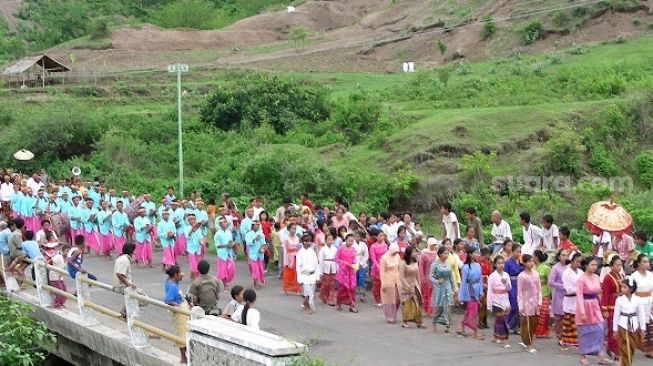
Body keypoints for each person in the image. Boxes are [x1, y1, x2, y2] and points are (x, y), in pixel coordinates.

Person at [576, 256, 612, 365]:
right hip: (585, 305)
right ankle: (582, 355)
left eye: (596, 265)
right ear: (586, 266)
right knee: (585, 331)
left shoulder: (596, 277)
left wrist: (603, 306)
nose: (594, 267)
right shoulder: (581, 279)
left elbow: (599, 292)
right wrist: (582, 312)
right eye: (592, 265)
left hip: (595, 305)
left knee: (600, 330)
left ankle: (601, 356)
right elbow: (579, 296)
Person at [613, 276, 647, 366]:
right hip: (623, 325)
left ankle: (627, 363)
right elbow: (616, 315)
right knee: (624, 347)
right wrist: (615, 329)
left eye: (625, 287)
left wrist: (643, 328)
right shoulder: (619, 300)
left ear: (631, 288)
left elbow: (641, 314)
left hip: (634, 325)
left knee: (631, 347)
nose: (622, 288)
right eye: (622, 286)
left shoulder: (638, 300)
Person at [163, 265, 188, 364]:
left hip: (180, 308)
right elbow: (167, 299)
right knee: (182, 333)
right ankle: (183, 357)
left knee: (183, 333)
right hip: (179, 312)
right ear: (175, 275)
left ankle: (184, 356)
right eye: (179, 274)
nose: (181, 275)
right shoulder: (173, 286)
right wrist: (176, 305)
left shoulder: (170, 281)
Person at [601, 253, 624, 359]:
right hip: (611, 305)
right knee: (612, 328)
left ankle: (611, 347)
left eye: (620, 265)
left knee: (620, 328)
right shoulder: (608, 278)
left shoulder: (622, 276)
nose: (619, 267)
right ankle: (615, 351)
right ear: (611, 266)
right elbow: (605, 294)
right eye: (617, 265)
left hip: (621, 305)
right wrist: (604, 309)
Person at [517, 254, 541, 354]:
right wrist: (521, 305)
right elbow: (520, 292)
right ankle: (529, 344)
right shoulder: (521, 276)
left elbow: (539, 289)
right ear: (524, 263)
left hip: (535, 301)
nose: (531, 263)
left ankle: (527, 339)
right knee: (526, 323)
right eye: (529, 261)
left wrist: (540, 301)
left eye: (532, 261)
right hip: (526, 301)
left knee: (534, 323)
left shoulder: (536, 274)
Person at [458, 246, 484, 340]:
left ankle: (462, 325)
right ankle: (475, 331)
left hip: (476, 289)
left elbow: (480, 279)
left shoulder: (478, 265)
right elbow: (463, 282)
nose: (477, 254)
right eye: (475, 253)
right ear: (470, 254)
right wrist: (462, 296)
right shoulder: (466, 267)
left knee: (470, 310)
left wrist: (481, 291)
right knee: (473, 311)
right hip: (469, 291)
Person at [630, 253, 653, 357]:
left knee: (650, 326)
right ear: (638, 263)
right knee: (637, 325)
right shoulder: (634, 276)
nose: (646, 264)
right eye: (644, 262)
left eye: (648, 262)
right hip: (638, 302)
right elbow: (631, 291)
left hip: (649, 301)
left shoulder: (651, 274)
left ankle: (650, 350)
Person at [430, 245, 457, 333]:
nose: (447, 255)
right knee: (439, 307)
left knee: (448, 305)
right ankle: (434, 323)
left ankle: (447, 325)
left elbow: (451, 276)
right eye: (445, 253)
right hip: (439, 288)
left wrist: (454, 288)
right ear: (440, 254)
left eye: (448, 253)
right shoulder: (435, 264)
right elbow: (430, 276)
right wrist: (437, 281)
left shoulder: (448, 263)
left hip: (447, 286)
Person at [487, 256, 511, 347]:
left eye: (502, 263)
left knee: (501, 319)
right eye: (499, 263)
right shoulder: (492, 276)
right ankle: (504, 339)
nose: (501, 265)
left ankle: (496, 335)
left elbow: (509, 288)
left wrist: (506, 283)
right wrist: (489, 305)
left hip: (505, 298)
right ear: (495, 264)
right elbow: (490, 290)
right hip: (496, 299)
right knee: (501, 320)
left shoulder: (506, 275)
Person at [561, 252, 583, 350]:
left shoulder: (581, 272)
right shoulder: (566, 273)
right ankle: (565, 341)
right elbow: (568, 289)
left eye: (580, 262)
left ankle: (576, 341)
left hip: (578, 299)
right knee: (568, 322)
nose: (579, 264)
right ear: (572, 261)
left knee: (577, 322)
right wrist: (579, 288)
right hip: (570, 300)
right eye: (577, 262)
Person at [549, 249, 570, 343]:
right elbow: (551, 282)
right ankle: (560, 337)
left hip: (569, 295)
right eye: (563, 255)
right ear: (559, 257)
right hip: (558, 295)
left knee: (567, 317)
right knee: (559, 318)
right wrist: (562, 286)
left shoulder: (570, 267)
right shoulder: (555, 268)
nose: (565, 257)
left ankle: (566, 336)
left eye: (567, 255)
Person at [400, 245, 423, 328]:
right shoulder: (403, 263)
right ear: (409, 253)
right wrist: (407, 286)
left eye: (416, 252)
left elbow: (417, 275)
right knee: (407, 303)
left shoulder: (416, 261)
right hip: (406, 285)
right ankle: (405, 321)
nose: (416, 253)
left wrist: (419, 285)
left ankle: (419, 321)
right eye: (413, 252)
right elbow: (401, 277)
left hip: (415, 284)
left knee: (418, 303)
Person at [335, 234, 358, 313]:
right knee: (342, 288)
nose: (351, 243)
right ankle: (339, 302)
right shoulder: (341, 248)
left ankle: (352, 305)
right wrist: (344, 263)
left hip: (351, 271)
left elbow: (354, 259)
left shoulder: (353, 249)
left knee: (352, 289)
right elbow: (336, 259)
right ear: (346, 240)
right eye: (350, 241)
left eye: (352, 241)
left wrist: (355, 266)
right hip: (343, 272)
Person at [297, 234, 319, 315]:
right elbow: (298, 267)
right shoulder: (300, 253)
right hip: (305, 275)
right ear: (303, 242)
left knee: (310, 292)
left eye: (310, 241)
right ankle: (312, 307)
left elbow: (316, 263)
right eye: (307, 241)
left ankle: (305, 303)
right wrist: (299, 279)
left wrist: (317, 275)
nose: (309, 243)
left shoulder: (312, 251)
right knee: (310, 293)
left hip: (313, 274)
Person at [115, 242, 137, 317]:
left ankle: (126, 309)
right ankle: (125, 309)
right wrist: (129, 284)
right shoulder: (125, 260)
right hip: (121, 285)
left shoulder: (121, 258)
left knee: (135, 295)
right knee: (141, 297)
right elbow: (119, 274)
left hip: (122, 284)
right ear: (131, 251)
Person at [505, 245, 523, 334]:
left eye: (520, 251)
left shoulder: (521, 262)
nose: (518, 253)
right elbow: (505, 274)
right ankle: (508, 324)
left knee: (519, 306)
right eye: (517, 251)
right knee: (513, 306)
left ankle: (515, 327)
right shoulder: (508, 263)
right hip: (512, 285)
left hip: (520, 285)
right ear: (512, 252)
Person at [214, 217, 236, 290]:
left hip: (229, 253)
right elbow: (218, 245)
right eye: (222, 222)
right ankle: (225, 284)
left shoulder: (229, 232)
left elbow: (230, 242)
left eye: (225, 222)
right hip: (222, 254)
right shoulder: (217, 234)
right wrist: (226, 245)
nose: (224, 223)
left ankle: (227, 281)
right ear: (220, 224)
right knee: (223, 271)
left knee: (232, 269)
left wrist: (233, 245)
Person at [533, 250, 551, 338]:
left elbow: (549, 281)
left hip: (544, 291)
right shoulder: (532, 267)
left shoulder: (546, 268)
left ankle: (543, 331)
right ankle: (535, 330)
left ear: (536, 257)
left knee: (543, 313)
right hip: (533, 292)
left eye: (533, 256)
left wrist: (550, 293)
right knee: (535, 312)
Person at [419, 237, 438, 316]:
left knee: (433, 293)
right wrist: (422, 277)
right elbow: (421, 266)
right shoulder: (424, 254)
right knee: (427, 293)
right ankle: (427, 309)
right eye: (433, 244)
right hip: (427, 276)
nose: (434, 246)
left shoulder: (436, 253)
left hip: (434, 276)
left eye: (435, 244)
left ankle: (431, 309)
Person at [245, 219, 266, 289]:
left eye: (258, 225)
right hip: (252, 254)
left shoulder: (261, 233)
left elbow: (264, 243)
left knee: (260, 269)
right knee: (255, 269)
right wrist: (254, 239)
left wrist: (262, 248)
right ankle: (256, 283)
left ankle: (256, 282)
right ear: (252, 226)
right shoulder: (248, 234)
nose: (257, 226)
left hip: (260, 254)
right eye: (256, 225)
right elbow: (248, 243)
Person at [318, 233, 338, 306]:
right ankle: (323, 295)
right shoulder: (323, 249)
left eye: (331, 239)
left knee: (332, 284)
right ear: (325, 240)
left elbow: (337, 259)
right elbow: (320, 261)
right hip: (326, 266)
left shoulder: (335, 249)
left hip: (333, 266)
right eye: (328, 239)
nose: (330, 241)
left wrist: (337, 269)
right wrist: (320, 272)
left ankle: (331, 299)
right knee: (326, 284)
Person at [47, 244, 69, 308]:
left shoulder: (67, 259)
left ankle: (61, 303)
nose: (67, 253)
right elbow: (50, 261)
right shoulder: (59, 256)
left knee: (64, 290)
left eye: (69, 252)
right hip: (54, 276)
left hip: (60, 277)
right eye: (67, 251)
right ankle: (56, 303)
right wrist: (47, 265)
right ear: (63, 251)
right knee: (60, 290)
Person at [281, 223, 301, 295]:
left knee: (296, 273)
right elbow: (285, 250)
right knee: (288, 274)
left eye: (295, 229)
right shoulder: (286, 238)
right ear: (289, 229)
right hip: (289, 258)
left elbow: (298, 248)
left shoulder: (297, 238)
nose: (294, 230)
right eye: (293, 228)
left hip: (296, 257)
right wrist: (286, 261)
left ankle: (297, 289)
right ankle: (285, 288)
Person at [370, 232, 388, 307]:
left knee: (383, 284)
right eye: (380, 235)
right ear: (376, 237)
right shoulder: (373, 246)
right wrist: (378, 266)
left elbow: (387, 255)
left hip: (385, 267)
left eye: (383, 236)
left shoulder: (385, 245)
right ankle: (377, 299)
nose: (382, 237)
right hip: (376, 268)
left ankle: (383, 298)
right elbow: (373, 257)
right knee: (376, 285)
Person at [184, 214, 204, 279]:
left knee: (197, 263)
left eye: (194, 219)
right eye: (190, 219)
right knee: (193, 264)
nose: (192, 220)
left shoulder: (199, 229)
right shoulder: (186, 228)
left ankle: (192, 275)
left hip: (197, 248)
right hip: (191, 248)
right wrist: (192, 229)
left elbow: (201, 237)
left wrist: (202, 242)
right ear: (188, 221)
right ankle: (195, 278)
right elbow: (187, 236)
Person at [478, 247, 492, 329]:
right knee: (482, 303)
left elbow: (489, 273)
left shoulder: (487, 262)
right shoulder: (478, 263)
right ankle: (480, 321)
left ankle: (484, 321)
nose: (486, 257)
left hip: (487, 282)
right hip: (481, 283)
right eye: (485, 256)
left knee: (486, 304)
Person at [353, 231, 369, 303]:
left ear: (361, 237)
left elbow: (366, 255)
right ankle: (354, 295)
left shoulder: (364, 245)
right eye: (356, 236)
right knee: (355, 279)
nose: (357, 237)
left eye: (358, 236)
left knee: (361, 280)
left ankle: (362, 295)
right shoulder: (352, 244)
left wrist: (361, 263)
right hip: (354, 264)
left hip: (362, 264)